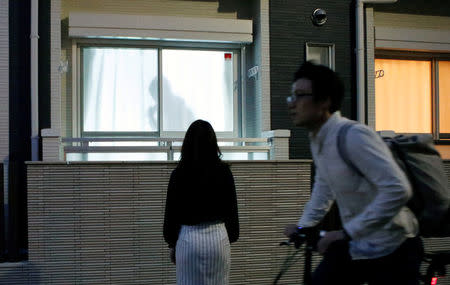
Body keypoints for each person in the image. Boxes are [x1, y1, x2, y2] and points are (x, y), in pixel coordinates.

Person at [284, 61, 423, 285]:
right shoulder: (319, 139)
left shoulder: (353, 135)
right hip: (359, 244)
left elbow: (398, 189)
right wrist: (303, 227)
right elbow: (323, 189)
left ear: (325, 101)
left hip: (394, 246)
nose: (292, 104)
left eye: (300, 95)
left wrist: (346, 232)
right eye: (291, 96)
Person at [163, 119, 239, 285]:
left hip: (188, 239)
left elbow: (171, 214)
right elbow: (232, 212)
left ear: (187, 144)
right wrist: (229, 236)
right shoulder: (224, 172)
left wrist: (171, 243)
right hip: (218, 238)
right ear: (213, 143)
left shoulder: (179, 174)